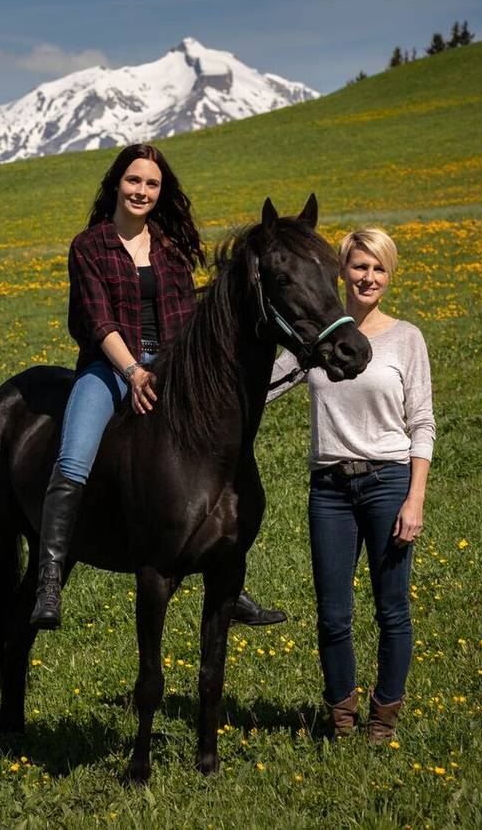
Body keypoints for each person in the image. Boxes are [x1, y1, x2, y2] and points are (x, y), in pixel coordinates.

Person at [29, 143, 287, 630]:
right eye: (133, 181)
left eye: (151, 184)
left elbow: (189, 320)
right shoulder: (90, 246)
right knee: (74, 454)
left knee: (217, 451)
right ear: (116, 184)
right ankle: (48, 576)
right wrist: (133, 372)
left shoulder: (170, 250)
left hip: (170, 366)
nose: (141, 191)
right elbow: (98, 318)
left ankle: (228, 578)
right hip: (109, 367)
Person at [267, 226, 434, 742]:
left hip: (388, 483)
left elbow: (422, 421)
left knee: (392, 609)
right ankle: (342, 718)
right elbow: (262, 388)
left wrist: (415, 498)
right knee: (333, 613)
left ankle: (383, 719)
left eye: (378, 268)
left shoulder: (406, 338)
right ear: (341, 271)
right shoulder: (317, 340)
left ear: (390, 275)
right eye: (360, 266)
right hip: (330, 489)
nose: (368, 277)